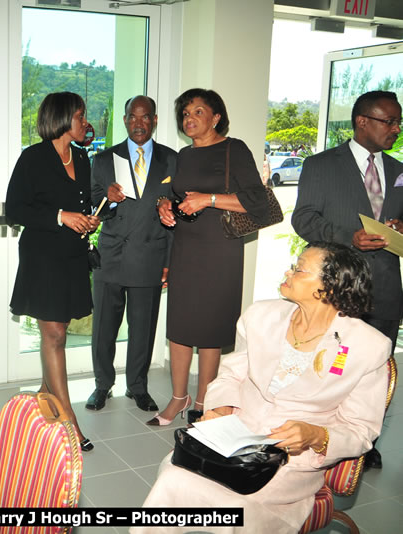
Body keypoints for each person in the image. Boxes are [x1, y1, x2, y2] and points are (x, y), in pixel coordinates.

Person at [137, 242, 390, 534]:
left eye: (299, 269)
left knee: (233, 509)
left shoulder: (367, 347)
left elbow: (361, 429)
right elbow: (230, 376)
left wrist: (317, 436)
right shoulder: (260, 316)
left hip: (289, 462)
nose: (288, 272)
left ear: (330, 288)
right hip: (232, 442)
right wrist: (220, 409)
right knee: (173, 477)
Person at [292, 90, 403, 469]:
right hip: (337, 288)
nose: (396, 129)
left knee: (376, 369)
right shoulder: (320, 165)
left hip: (386, 287)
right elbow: (303, 219)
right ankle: (320, 435)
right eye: (389, 121)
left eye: (398, 121)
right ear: (362, 121)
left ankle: (363, 441)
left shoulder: (399, 169)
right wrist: (348, 237)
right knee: (332, 365)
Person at [154, 88, 269, 426]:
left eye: (198, 112)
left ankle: (204, 400)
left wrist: (209, 199)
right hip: (186, 246)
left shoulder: (235, 149)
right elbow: (175, 194)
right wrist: (163, 205)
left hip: (221, 249)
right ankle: (178, 398)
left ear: (216, 117)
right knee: (179, 325)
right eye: (185, 114)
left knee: (209, 327)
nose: (189, 119)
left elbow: (256, 202)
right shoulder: (183, 155)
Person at [6, 92, 100, 451]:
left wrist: (90, 217)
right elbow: (15, 209)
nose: (84, 121)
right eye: (80, 115)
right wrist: (61, 217)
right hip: (43, 257)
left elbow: (82, 204)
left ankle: (44, 397)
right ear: (63, 118)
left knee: (59, 332)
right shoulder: (32, 157)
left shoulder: (81, 156)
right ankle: (68, 418)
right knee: (55, 335)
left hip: (73, 256)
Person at [85, 95, 177, 413]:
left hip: (151, 255)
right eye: (133, 117)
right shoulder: (104, 159)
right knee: (104, 328)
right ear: (125, 120)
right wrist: (108, 200)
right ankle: (102, 385)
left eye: (145, 117)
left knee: (143, 327)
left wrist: (168, 262)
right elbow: (94, 206)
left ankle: (137, 386)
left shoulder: (172, 160)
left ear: (154, 120)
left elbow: (175, 215)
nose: (139, 123)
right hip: (111, 255)